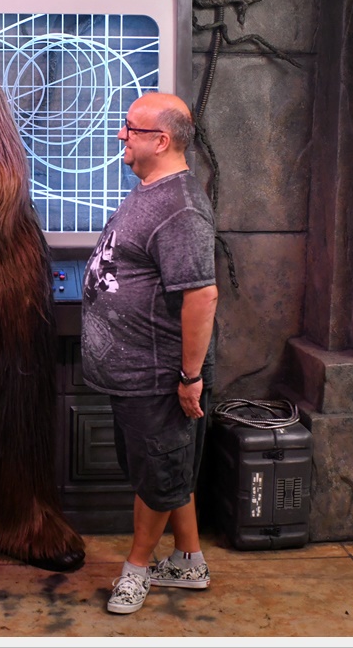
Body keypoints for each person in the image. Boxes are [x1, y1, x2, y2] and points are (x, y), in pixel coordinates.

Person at [81, 92, 219, 615]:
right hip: (136, 373)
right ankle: (189, 561)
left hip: (159, 377)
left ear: (160, 141)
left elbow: (202, 295)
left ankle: (136, 569)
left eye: (130, 128)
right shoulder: (152, 190)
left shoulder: (181, 208)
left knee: (158, 476)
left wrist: (189, 376)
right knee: (167, 469)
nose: (121, 134)